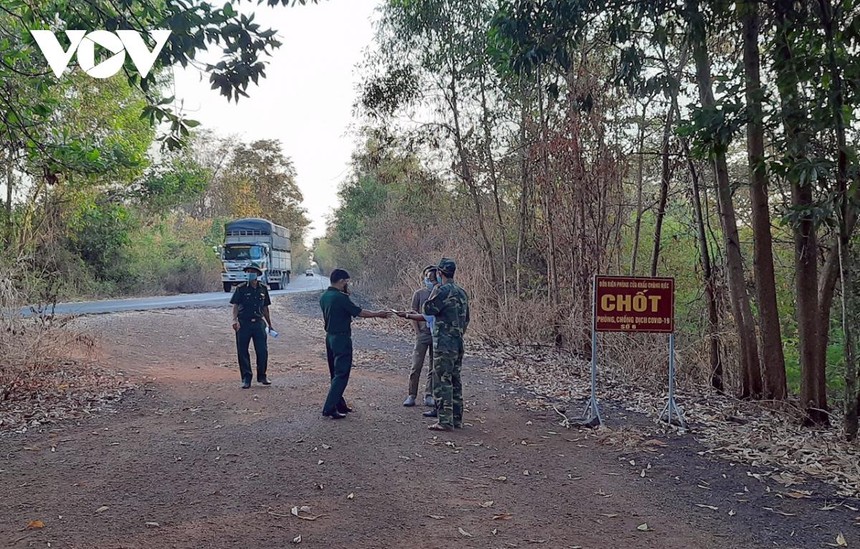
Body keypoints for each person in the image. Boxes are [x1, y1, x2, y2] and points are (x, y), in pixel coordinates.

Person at [319, 268, 392, 419]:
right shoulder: (340, 297)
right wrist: (378, 314)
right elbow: (360, 312)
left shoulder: (324, 296)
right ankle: (329, 408)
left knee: (334, 373)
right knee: (341, 374)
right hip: (341, 338)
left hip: (330, 337)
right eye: (346, 282)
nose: (347, 285)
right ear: (341, 281)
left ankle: (339, 404)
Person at [422, 258, 470, 431]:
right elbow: (467, 319)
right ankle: (456, 419)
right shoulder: (462, 292)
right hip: (458, 342)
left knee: (442, 380)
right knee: (455, 380)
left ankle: (444, 421)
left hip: (443, 343)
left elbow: (428, 310)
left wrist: (434, 291)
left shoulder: (442, 291)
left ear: (440, 273)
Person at [230, 262, 274, 389]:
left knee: (262, 350)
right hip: (243, 323)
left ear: (257, 274)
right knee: (242, 351)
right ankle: (246, 378)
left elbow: (265, 308)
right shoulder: (241, 288)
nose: (250, 274)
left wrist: (270, 324)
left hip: (259, 323)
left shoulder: (263, 289)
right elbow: (235, 305)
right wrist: (234, 320)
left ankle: (262, 376)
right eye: (248, 272)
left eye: (252, 272)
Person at [401, 265, 438, 408]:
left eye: (432, 279)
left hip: (436, 334)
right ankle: (412, 394)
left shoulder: (439, 293)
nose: (429, 281)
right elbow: (413, 313)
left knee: (434, 367)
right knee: (416, 365)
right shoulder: (419, 294)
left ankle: (429, 394)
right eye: (428, 278)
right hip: (423, 334)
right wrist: (417, 332)